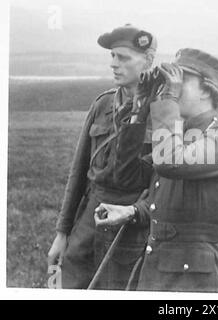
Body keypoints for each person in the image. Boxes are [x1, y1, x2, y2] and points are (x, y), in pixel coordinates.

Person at [47, 24, 157, 289]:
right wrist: (62, 234)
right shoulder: (102, 105)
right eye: (112, 56)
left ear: (148, 61)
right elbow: (78, 172)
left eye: (124, 57)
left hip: (130, 225)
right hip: (88, 221)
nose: (114, 64)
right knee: (69, 286)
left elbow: (164, 183)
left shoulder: (163, 113)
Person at [138, 48, 218, 292]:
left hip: (197, 281)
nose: (170, 86)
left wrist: (168, 102)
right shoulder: (177, 133)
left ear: (207, 89)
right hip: (158, 272)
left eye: (179, 79)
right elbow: (133, 178)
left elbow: (168, 162)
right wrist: (140, 109)